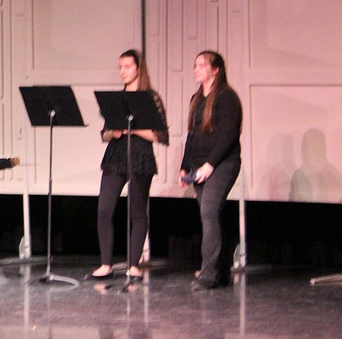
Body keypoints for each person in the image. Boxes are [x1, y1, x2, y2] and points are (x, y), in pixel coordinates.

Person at [89, 50, 168, 282]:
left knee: (137, 211)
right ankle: (106, 264)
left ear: (138, 68)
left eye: (126, 66)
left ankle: (133, 264)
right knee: (104, 209)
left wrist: (133, 128)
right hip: (116, 155)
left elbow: (161, 135)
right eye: (120, 67)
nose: (122, 71)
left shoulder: (150, 98)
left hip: (140, 156)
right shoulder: (117, 98)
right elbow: (104, 134)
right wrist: (113, 132)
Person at [179, 50, 243, 291]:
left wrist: (210, 165)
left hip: (222, 163)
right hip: (199, 165)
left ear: (216, 69)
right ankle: (221, 271)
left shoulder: (227, 97)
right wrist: (185, 166)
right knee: (212, 215)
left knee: (208, 213)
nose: (196, 69)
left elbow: (228, 135)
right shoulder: (197, 99)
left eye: (202, 65)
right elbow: (192, 135)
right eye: (195, 65)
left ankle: (208, 274)